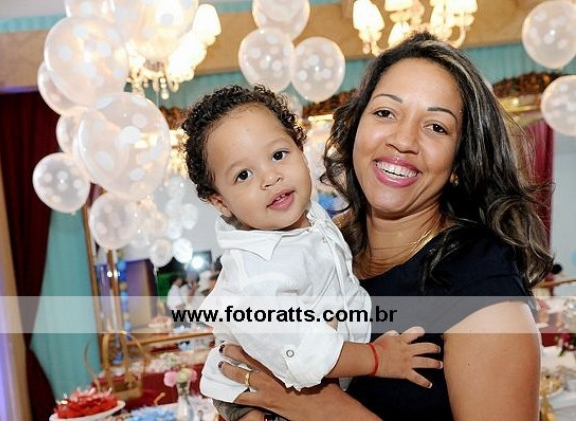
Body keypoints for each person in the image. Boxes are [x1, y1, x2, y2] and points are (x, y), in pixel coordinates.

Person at [215, 32, 554, 420]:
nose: (404, 140)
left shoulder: (482, 284)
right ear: (355, 128)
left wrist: (318, 407)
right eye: (385, 113)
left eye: (436, 127)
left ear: (459, 163)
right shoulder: (319, 245)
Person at [181, 85, 442, 420]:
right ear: (220, 201)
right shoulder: (259, 274)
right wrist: (379, 359)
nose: (270, 177)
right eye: (243, 175)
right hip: (258, 394)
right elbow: (306, 354)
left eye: (278, 155)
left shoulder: (312, 216)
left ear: (300, 149)